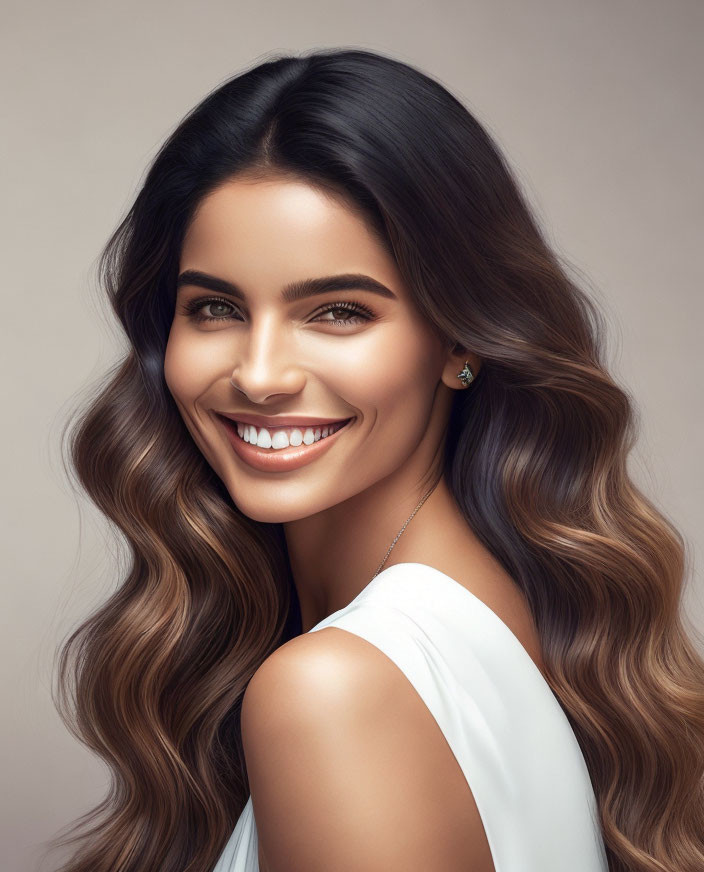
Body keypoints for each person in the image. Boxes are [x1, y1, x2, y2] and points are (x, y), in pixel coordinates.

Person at [54, 48, 704, 872]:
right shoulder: (514, 619)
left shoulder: (335, 691)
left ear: (460, 337)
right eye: (215, 307)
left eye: (336, 311)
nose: (259, 375)